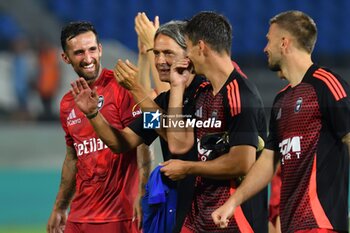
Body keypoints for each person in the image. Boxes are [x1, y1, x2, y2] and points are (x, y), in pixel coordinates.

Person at [212, 10, 350, 233]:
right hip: (291, 226)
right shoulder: (281, 100)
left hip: (321, 223)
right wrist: (232, 203)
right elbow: (267, 161)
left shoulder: (326, 84)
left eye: (268, 40)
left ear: (284, 43)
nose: (265, 48)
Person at [70, 20, 206, 233]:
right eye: (156, 53)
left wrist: (136, 89)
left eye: (167, 53)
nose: (160, 60)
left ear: (188, 53)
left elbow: (176, 138)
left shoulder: (206, 93)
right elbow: (122, 142)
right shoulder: (163, 101)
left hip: (210, 207)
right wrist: (93, 114)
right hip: (181, 208)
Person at [161, 11, 268, 232]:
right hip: (198, 217)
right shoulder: (201, 92)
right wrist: (177, 87)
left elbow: (242, 162)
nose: (187, 56)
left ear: (201, 47)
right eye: (155, 53)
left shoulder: (240, 94)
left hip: (232, 220)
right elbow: (178, 143)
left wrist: (188, 168)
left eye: (187, 47)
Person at [46, 21, 151, 233]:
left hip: (118, 215)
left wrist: (143, 194)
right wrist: (60, 206)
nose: (88, 58)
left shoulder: (123, 88)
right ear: (65, 58)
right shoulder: (67, 102)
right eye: (79, 52)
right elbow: (73, 156)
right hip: (78, 216)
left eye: (92, 49)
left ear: (100, 49)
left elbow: (143, 144)